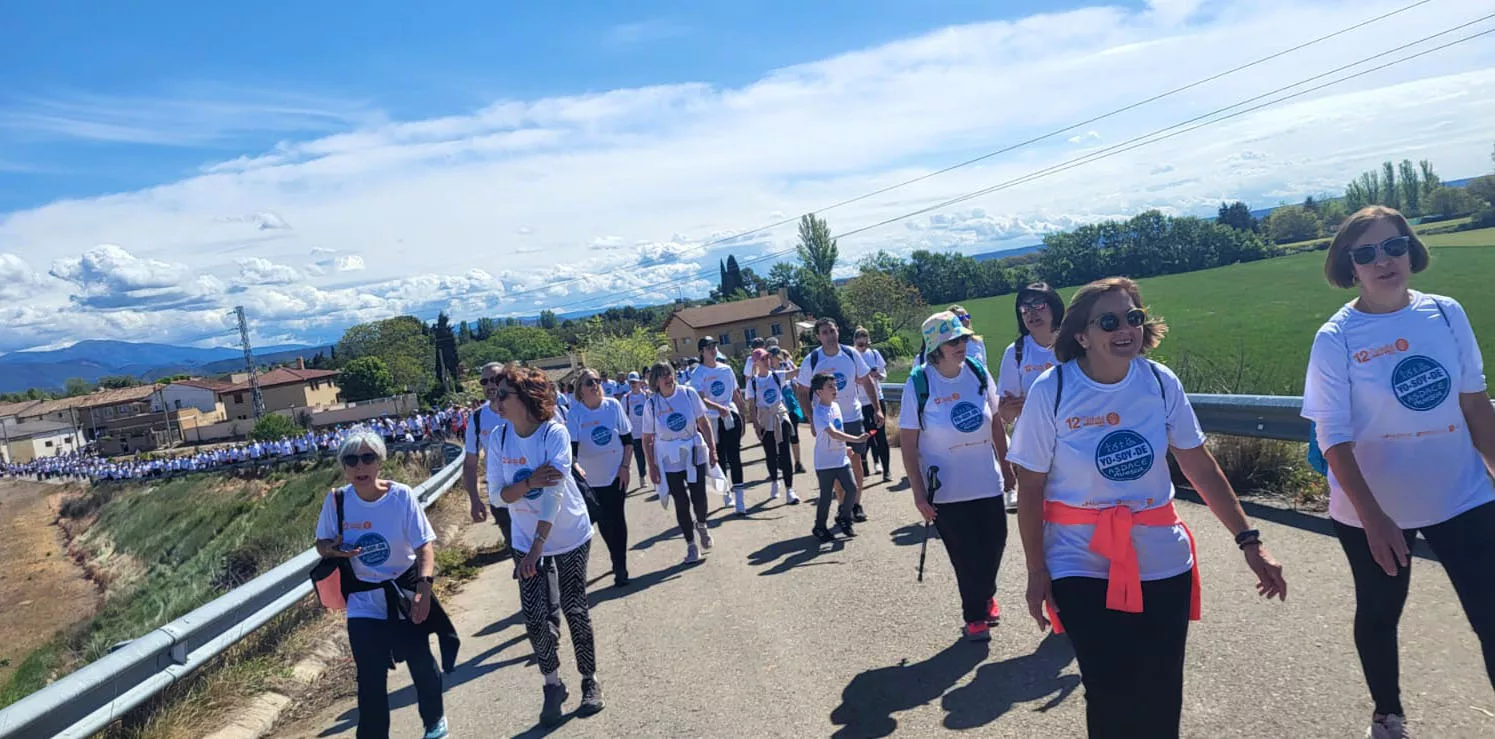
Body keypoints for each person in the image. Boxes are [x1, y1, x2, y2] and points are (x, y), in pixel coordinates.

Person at [1008, 277, 1287, 739]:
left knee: (1160, 690)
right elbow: (1031, 486)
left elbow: (1198, 463)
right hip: (1079, 559)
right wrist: (1037, 570)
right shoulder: (1051, 390)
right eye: (1110, 321)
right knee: (1110, 687)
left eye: (1133, 317)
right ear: (1082, 335)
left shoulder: (1159, 382)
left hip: (1161, 557)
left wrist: (1249, 541)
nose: (1125, 329)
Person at [1301, 206, 1495, 739]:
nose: (1383, 261)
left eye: (1393, 246)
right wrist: (1375, 518)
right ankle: (1387, 714)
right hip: (1374, 508)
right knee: (1381, 612)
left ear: (1411, 249)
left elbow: (1476, 404)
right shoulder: (1335, 337)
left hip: (1462, 493)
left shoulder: (1447, 313)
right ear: (1350, 265)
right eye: (1366, 253)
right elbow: (1332, 437)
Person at [489, 365, 605, 727]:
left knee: (573, 606)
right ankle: (552, 683)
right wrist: (528, 483)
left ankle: (590, 680)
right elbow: (498, 496)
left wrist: (538, 547)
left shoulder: (553, 434)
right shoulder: (499, 438)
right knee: (535, 615)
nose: (496, 401)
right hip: (525, 536)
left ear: (524, 398)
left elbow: (553, 494)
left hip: (568, 532)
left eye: (503, 394)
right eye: (494, 394)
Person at [315, 429, 450, 739]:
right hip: (363, 600)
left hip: (404, 592)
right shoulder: (337, 501)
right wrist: (332, 549)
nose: (359, 467)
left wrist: (424, 589)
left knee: (421, 664)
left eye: (367, 458)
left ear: (380, 462)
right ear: (343, 465)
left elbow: (424, 547)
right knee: (370, 678)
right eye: (351, 460)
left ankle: (434, 721)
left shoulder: (401, 496)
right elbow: (321, 545)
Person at [899, 311, 1011, 642]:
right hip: (946, 489)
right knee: (965, 554)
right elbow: (908, 441)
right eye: (953, 341)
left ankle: (985, 592)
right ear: (936, 347)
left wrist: (1006, 466)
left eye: (963, 338)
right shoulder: (920, 383)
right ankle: (975, 614)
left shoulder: (977, 372)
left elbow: (995, 422)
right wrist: (918, 493)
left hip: (987, 480)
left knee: (995, 544)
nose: (961, 344)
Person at [463, 363, 562, 632]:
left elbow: (555, 441)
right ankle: (537, 616)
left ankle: (550, 619)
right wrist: (474, 498)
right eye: (484, 382)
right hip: (504, 499)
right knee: (522, 558)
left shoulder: (527, 405)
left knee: (544, 554)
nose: (491, 385)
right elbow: (471, 462)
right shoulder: (478, 418)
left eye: (495, 379)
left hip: (537, 493)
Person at [796, 318, 882, 522]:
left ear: (838, 331)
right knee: (836, 463)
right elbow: (802, 391)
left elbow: (866, 380)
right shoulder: (813, 360)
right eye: (824, 332)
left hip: (852, 415)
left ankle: (856, 504)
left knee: (857, 461)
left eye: (832, 331)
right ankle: (843, 504)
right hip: (829, 419)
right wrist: (811, 419)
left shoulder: (850, 354)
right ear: (818, 336)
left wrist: (877, 408)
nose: (829, 335)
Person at [642, 360, 721, 564]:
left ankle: (702, 524)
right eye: (663, 375)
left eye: (670, 373)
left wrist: (712, 449)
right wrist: (652, 466)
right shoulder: (651, 404)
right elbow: (647, 438)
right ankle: (691, 546)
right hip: (669, 457)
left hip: (693, 449)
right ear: (655, 381)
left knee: (699, 496)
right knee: (681, 501)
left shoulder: (688, 393)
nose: (668, 378)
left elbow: (703, 422)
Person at [996, 282, 1064, 513]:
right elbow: (1004, 415)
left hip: (1073, 439)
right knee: (1039, 513)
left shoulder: (1074, 344)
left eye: (1038, 305)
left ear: (1055, 307)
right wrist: (1009, 408)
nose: (1031, 313)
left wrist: (1038, 404)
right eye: (1024, 310)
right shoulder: (1015, 352)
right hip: (1034, 447)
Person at [567, 369, 635, 588]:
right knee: (604, 520)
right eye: (589, 382)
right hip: (591, 479)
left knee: (617, 517)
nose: (595, 385)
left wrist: (625, 466)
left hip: (615, 473)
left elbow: (627, 440)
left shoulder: (612, 406)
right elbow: (572, 450)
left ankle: (620, 565)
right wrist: (575, 465)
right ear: (580, 389)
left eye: (597, 381)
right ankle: (615, 557)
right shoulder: (575, 413)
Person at [689, 337, 750, 514]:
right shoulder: (698, 374)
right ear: (701, 352)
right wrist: (717, 408)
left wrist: (742, 415)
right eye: (708, 347)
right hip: (712, 420)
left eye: (714, 346)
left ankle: (740, 500)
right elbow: (700, 398)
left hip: (730, 417)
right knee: (720, 457)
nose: (712, 350)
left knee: (735, 457)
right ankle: (726, 494)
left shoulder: (726, 369)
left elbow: (735, 393)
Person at [809, 372, 869, 542]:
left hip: (840, 459)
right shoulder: (819, 412)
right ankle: (819, 526)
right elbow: (833, 433)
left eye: (835, 385)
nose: (835, 389)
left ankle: (844, 518)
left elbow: (839, 431)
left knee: (851, 488)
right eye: (830, 386)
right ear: (819, 392)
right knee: (826, 496)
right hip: (825, 462)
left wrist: (846, 447)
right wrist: (856, 439)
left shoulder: (835, 407)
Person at [745, 347, 800, 505]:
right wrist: (756, 425)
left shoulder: (777, 376)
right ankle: (775, 481)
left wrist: (790, 363)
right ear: (755, 362)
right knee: (770, 453)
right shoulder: (753, 383)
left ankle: (790, 489)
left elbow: (795, 373)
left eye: (767, 358)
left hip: (779, 416)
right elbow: (752, 405)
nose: (766, 361)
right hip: (765, 419)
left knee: (784, 452)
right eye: (762, 359)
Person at [852, 327, 892, 484]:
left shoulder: (874, 354)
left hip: (876, 399)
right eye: (860, 344)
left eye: (865, 344)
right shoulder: (852, 355)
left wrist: (878, 375)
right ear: (854, 342)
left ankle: (886, 470)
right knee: (865, 435)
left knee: (880, 436)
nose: (863, 347)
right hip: (859, 401)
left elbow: (884, 374)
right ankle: (864, 464)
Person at [623, 372, 651, 489]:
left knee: (652, 455)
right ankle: (642, 476)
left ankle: (657, 477)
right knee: (640, 456)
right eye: (631, 382)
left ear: (640, 382)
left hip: (648, 431)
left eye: (635, 382)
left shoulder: (646, 395)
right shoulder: (626, 398)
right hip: (635, 433)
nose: (633, 384)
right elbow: (623, 415)